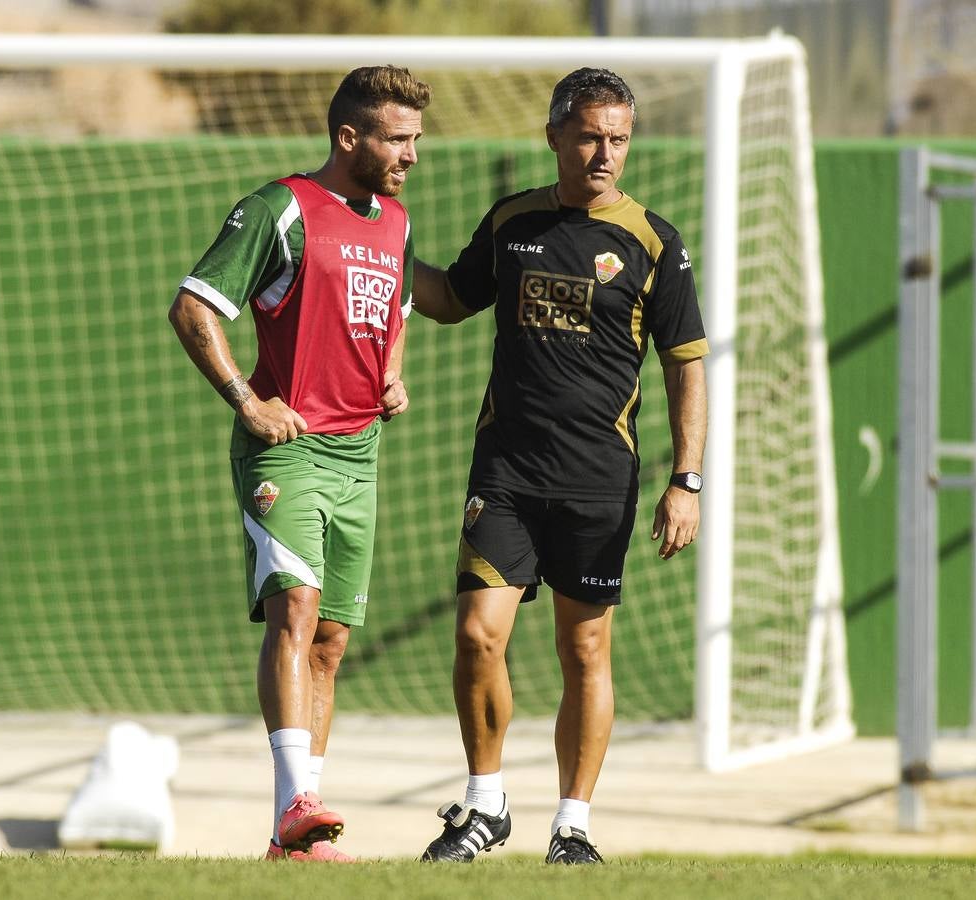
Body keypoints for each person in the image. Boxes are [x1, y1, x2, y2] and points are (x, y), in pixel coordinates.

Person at [410, 67, 708, 865]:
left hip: (598, 480)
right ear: (554, 137)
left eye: (619, 139)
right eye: (589, 136)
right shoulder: (513, 221)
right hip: (506, 472)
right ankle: (485, 806)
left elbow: (686, 364)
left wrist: (687, 480)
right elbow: (450, 298)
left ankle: (572, 826)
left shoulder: (655, 243)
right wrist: (381, 247)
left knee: (584, 652)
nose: (605, 153)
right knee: (478, 635)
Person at [167, 65, 430, 863]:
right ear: (349, 137)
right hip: (288, 450)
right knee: (297, 607)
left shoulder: (397, 222)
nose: (412, 155)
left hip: (361, 455)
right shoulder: (279, 209)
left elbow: (397, 313)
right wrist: (248, 402)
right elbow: (193, 307)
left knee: (332, 641)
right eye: (397, 139)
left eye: (416, 139)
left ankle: (294, 842)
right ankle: (294, 807)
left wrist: (391, 376)